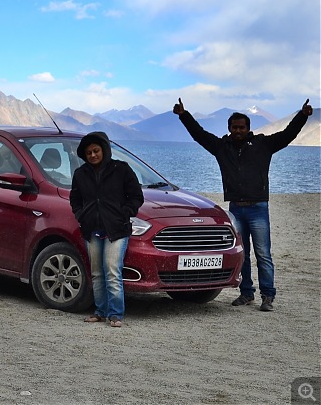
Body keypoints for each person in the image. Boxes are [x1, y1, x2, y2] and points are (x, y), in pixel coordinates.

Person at [173, 98, 313, 312]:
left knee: (263, 254)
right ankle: (246, 293)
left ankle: (268, 296)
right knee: (242, 253)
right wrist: (184, 115)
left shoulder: (263, 144)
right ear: (229, 129)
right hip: (236, 209)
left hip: (258, 208)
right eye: (234, 127)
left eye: (241, 127)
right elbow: (199, 134)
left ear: (248, 129)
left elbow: (287, 135)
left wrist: (302, 116)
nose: (238, 130)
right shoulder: (221, 147)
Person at [70, 132, 143, 328]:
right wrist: (80, 215)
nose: (93, 155)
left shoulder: (122, 169)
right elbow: (74, 199)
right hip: (91, 229)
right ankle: (100, 312)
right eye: (88, 152)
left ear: (104, 150)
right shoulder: (80, 174)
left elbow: (136, 196)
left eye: (96, 151)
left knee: (112, 271)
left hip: (117, 230)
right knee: (96, 273)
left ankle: (116, 314)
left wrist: (125, 212)